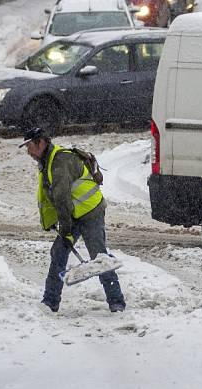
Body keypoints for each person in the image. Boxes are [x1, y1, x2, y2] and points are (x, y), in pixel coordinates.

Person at [20, 127, 125, 313]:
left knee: (99, 256)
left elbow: (62, 199)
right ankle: (50, 302)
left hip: (91, 211)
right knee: (58, 253)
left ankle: (116, 301)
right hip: (74, 214)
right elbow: (49, 195)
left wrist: (66, 230)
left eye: (29, 146)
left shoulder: (60, 161)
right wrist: (53, 222)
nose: (27, 151)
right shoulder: (46, 161)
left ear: (41, 143)